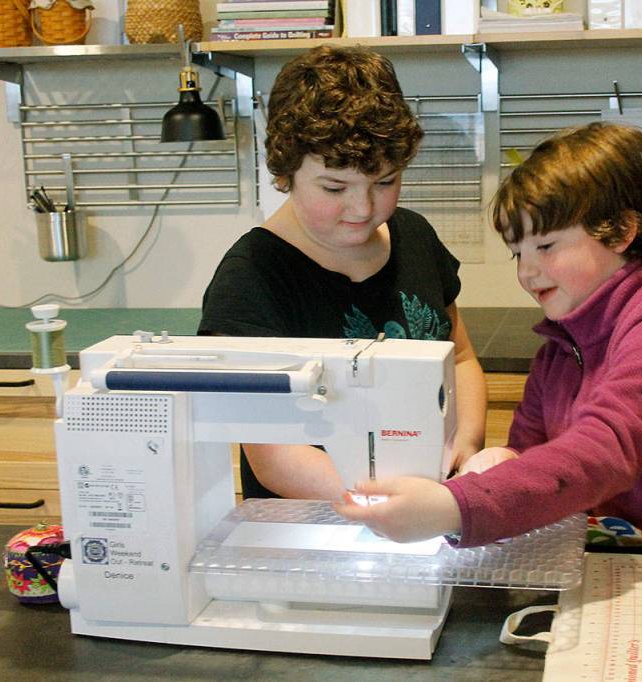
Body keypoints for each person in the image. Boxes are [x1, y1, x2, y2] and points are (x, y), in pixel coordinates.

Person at [335, 122, 642, 554]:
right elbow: (534, 454)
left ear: (622, 231)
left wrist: (456, 507)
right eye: (518, 253)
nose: (527, 272)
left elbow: (601, 454)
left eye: (546, 247)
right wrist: (502, 460)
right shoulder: (560, 351)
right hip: (628, 550)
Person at [199, 45, 487, 501]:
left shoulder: (414, 236)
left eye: (385, 182)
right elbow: (275, 456)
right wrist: (391, 498)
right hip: (317, 524)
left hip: (434, 503)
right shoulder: (250, 278)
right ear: (284, 172)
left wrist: (466, 447)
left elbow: (462, 358)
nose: (363, 207)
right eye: (335, 187)